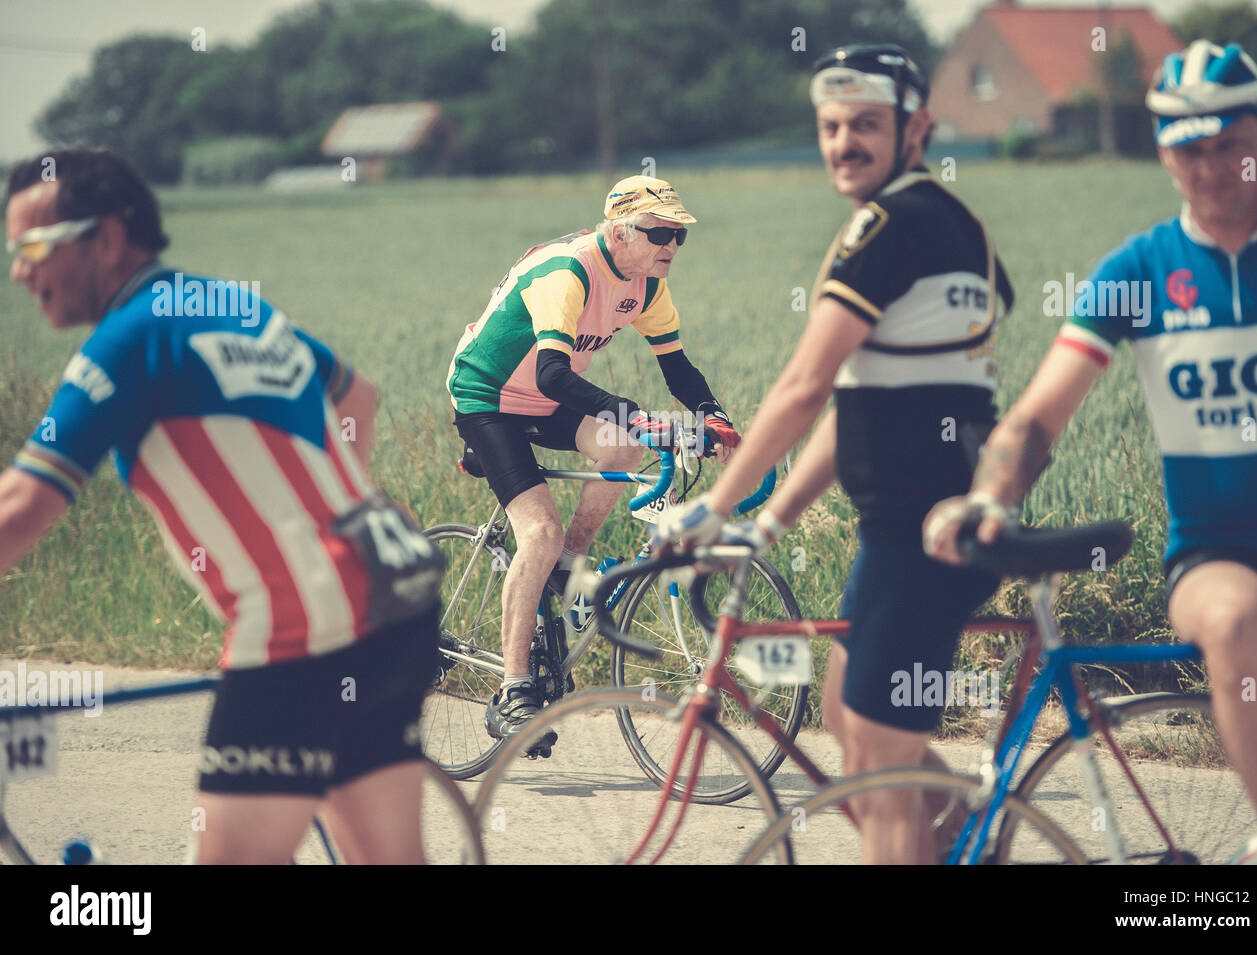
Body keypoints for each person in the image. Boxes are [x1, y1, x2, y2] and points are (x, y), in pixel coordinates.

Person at [1, 148, 445, 864]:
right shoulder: (228, 303)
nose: (19, 271)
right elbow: (357, 395)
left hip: (302, 631)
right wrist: (317, 531)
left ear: (107, 238)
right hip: (393, 597)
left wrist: (302, 562)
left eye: (31, 247)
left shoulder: (131, 337)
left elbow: (21, 504)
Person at [923, 40, 1257, 865]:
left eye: (1229, 144)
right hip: (1219, 559)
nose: (1210, 168)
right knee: (1239, 619)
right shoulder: (1140, 270)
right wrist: (991, 496)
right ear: (1163, 152)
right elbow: (1034, 419)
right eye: (1188, 149)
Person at [654, 44, 1014, 863]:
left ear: (915, 128)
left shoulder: (885, 226)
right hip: (907, 528)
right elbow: (855, 407)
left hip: (925, 535)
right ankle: (964, 830)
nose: (843, 142)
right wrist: (768, 521)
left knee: (879, 782)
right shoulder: (955, 220)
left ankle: (939, 836)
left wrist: (712, 509)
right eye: (830, 126)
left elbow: (804, 386)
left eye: (865, 125)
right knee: (851, 725)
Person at [445, 175, 740, 742]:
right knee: (539, 530)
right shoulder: (570, 273)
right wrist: (631, 410)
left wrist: (714, 415)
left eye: (680, 236)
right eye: (659, 233)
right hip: (489, 397)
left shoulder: (647, 284)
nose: (671, 247)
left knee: (623, 448)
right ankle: (514, 689)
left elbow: (676, 367)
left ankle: (569, 566)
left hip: (544, 398)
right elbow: (554, 373)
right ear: (619, 230)